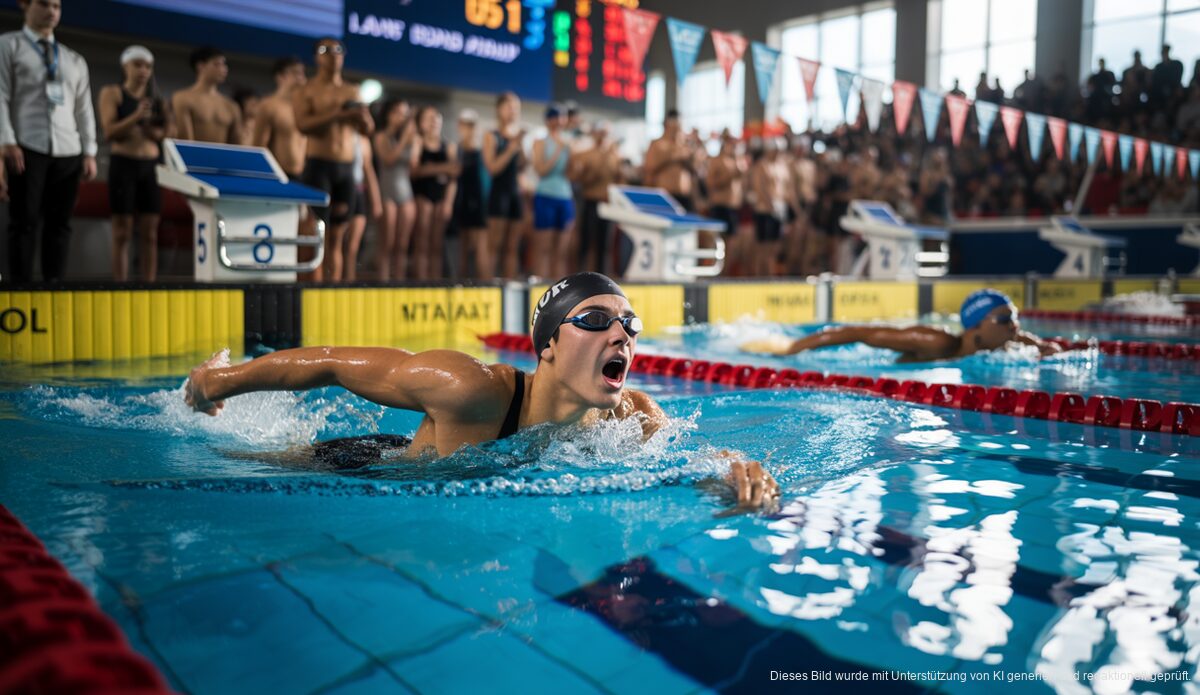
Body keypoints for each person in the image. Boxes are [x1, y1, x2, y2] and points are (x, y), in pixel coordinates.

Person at [184, 272, 780, 509]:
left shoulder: (630, 411)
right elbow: (334, 363)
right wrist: (219, 381)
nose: (620, 335)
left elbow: (688, 455)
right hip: (372, 466)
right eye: (596, 320)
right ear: (546, 346)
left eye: (629, 325)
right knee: (245, 461)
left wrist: (735, 470)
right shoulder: (470, 388)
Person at [1, 0, 99, 283]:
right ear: (24, 5)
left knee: (60, 224)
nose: (52, 11)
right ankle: (20, 288)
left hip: (68, 150)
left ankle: (53, 287)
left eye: (57, 6)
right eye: (44, 4)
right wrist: (6, 140)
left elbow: (84, 109)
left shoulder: (73, 59)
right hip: (26, 146)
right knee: (24, 222)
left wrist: (89, 151)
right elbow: (0, 95)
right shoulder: (8, 46)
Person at [741, 289, 1062, 363]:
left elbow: (1036, 344)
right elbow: (860, 333)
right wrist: (795, 348)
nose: (1014, 326)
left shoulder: (1007, 346)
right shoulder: (938, 342)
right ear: (976, 326)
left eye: (1015, 317)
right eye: (1005, 319)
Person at [293, 37, 374, 282]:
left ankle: (333, 290)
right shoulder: (306, 90)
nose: (334, 55)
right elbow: (303, 125)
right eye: (327, 50)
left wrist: (360, 116)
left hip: (345, 169)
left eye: (339, 50)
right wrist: (338, 114)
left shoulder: (352, 90)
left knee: (339, 236)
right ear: (317, 57)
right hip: (319, 165)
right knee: (316, 232)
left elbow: (368, 129)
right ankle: (313, 290)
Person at [97, 45, 168, 282]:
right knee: (122, 232)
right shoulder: (113, 93)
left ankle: (149, 285)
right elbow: (109, 132)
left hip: (150, 166)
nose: (143, 71)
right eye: (137, 64)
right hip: (123, 163)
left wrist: (152, 129)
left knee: (150, 233)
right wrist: (136, 117)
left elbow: (168, 135)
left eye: (148, 66)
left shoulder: (157, 100)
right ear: (125, 66)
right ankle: (120, 285)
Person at [409, 106, 457, 281]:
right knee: (422, 242)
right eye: (429, 118)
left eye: (436, 118)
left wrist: (449, 203)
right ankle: (421, 282)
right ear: (421, 123)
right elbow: (413, 171)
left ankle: (435, 283)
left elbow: (454, 176)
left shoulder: (448, 146)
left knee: (437, 244)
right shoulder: (418, 142)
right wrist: (443, 168)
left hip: (441, 196)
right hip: (422, 193)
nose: (434, 122)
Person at [569, 120, 622, 275]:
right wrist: (595, 170)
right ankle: (580, 276)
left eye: (606, 134)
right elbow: (578, 180)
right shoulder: (585, 155)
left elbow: (619, 180)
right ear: (595, 135)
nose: (603, 137)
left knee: (604, 245)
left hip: (606, 203)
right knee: (584, 243)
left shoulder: (615, 156)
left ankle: (603, 277)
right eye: (601, 134)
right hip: (589, 201)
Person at [483, 91, 526, 279]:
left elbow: (522, 167)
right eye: (509, 107)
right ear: (499, 109)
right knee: (494, 246)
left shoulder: (516, 138)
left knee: (512, 248)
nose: (513, 111)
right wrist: (511, 149)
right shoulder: (491, 136)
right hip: (498, 193)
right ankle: (488, 288)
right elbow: (492, 168)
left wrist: (522, 148)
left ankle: (510, 288)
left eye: (516, 108)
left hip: (515, 194)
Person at [373, 98, 417, 280]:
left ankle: (399, 282)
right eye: (399, 113)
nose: (402, 117)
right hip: (387, 191)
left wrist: (411, 139)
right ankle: (383, 282)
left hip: (406, 192)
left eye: (405, 114)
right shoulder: (381, 136)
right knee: (387, 243)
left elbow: (414, 165)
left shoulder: (410, 139)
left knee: (403, 244)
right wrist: (403, 141)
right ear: (389, 114)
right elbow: (388, 160)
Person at [531, 104, 575, 279]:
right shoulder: (540, 142)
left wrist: (571, 154)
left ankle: (560, 293)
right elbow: (541, 170)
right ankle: (541, 289)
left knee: (561, 252)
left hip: (565, 197)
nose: (559, 121)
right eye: (556, 117)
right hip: (545, 196)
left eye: (562, 117)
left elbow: (571, 174)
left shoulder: (569, 143)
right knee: (544, 249)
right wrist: (558, 149)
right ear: (548, 121)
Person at [172, 46, 242, 144]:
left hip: (222, 158)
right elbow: (185, 141)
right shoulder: (183, 98)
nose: (224, 69)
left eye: (224, 64)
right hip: (193, 157)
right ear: (201, 66)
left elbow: (237, 146)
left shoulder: (231, 106)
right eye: (217, 64)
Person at [253, 57, 308, 181]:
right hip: (278, 174)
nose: (301, 78)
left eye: (303, 73)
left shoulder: (304, 108)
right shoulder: (268, 106)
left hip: (304, 175)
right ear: (280, 76)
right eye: (296, 73)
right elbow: (258, 147)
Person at [454, 108, 489, 279]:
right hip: (462, 200)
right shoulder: (456, 150)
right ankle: (462, 284)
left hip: (479, 202)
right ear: (459, 126)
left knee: (479, 247)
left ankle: (480, 286)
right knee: (463, 247)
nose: (469, 129)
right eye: (466, 125)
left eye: (472, 126)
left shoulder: (481, 152)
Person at [341, 133, 380, 282]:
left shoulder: (363, 141)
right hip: (343, 190)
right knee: (337, 241)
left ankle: (350, 281)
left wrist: (376, 200)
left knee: (353, 245)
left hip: (358, 191)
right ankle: (334, 280)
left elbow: (368, 170)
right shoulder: (341, 137)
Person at [643, 110, 697, 211]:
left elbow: (694, 171)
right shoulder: (657, 144)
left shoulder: (685, 145)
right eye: (675, 122)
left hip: (684, 195)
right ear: (667, 123)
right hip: (665, 194)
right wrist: (674, 156)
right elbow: (649, 168)